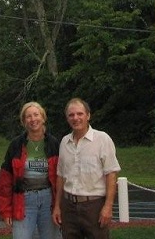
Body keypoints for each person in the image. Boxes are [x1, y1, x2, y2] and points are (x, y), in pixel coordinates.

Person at [52, 98, 121, 239]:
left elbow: (111, 174)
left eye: (80, 114)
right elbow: (61, 176)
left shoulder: (102, 139)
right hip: (68, 207)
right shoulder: (64, 142)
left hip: (94, 206)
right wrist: (58, 206)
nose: (75, 118)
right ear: (67, 118)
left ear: (88, 115)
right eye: (71, 115)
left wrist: (108, 207)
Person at [0, 101, 62, 239]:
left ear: (43, 118)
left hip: (48, 200)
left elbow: (62, 177)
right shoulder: (16, 145)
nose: (33, 119)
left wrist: (60, 206)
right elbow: (5, 180)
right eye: (28, 116)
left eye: (36, 115)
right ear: (24, 121)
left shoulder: (54, 144)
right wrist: (5, 210)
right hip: (23, 200)